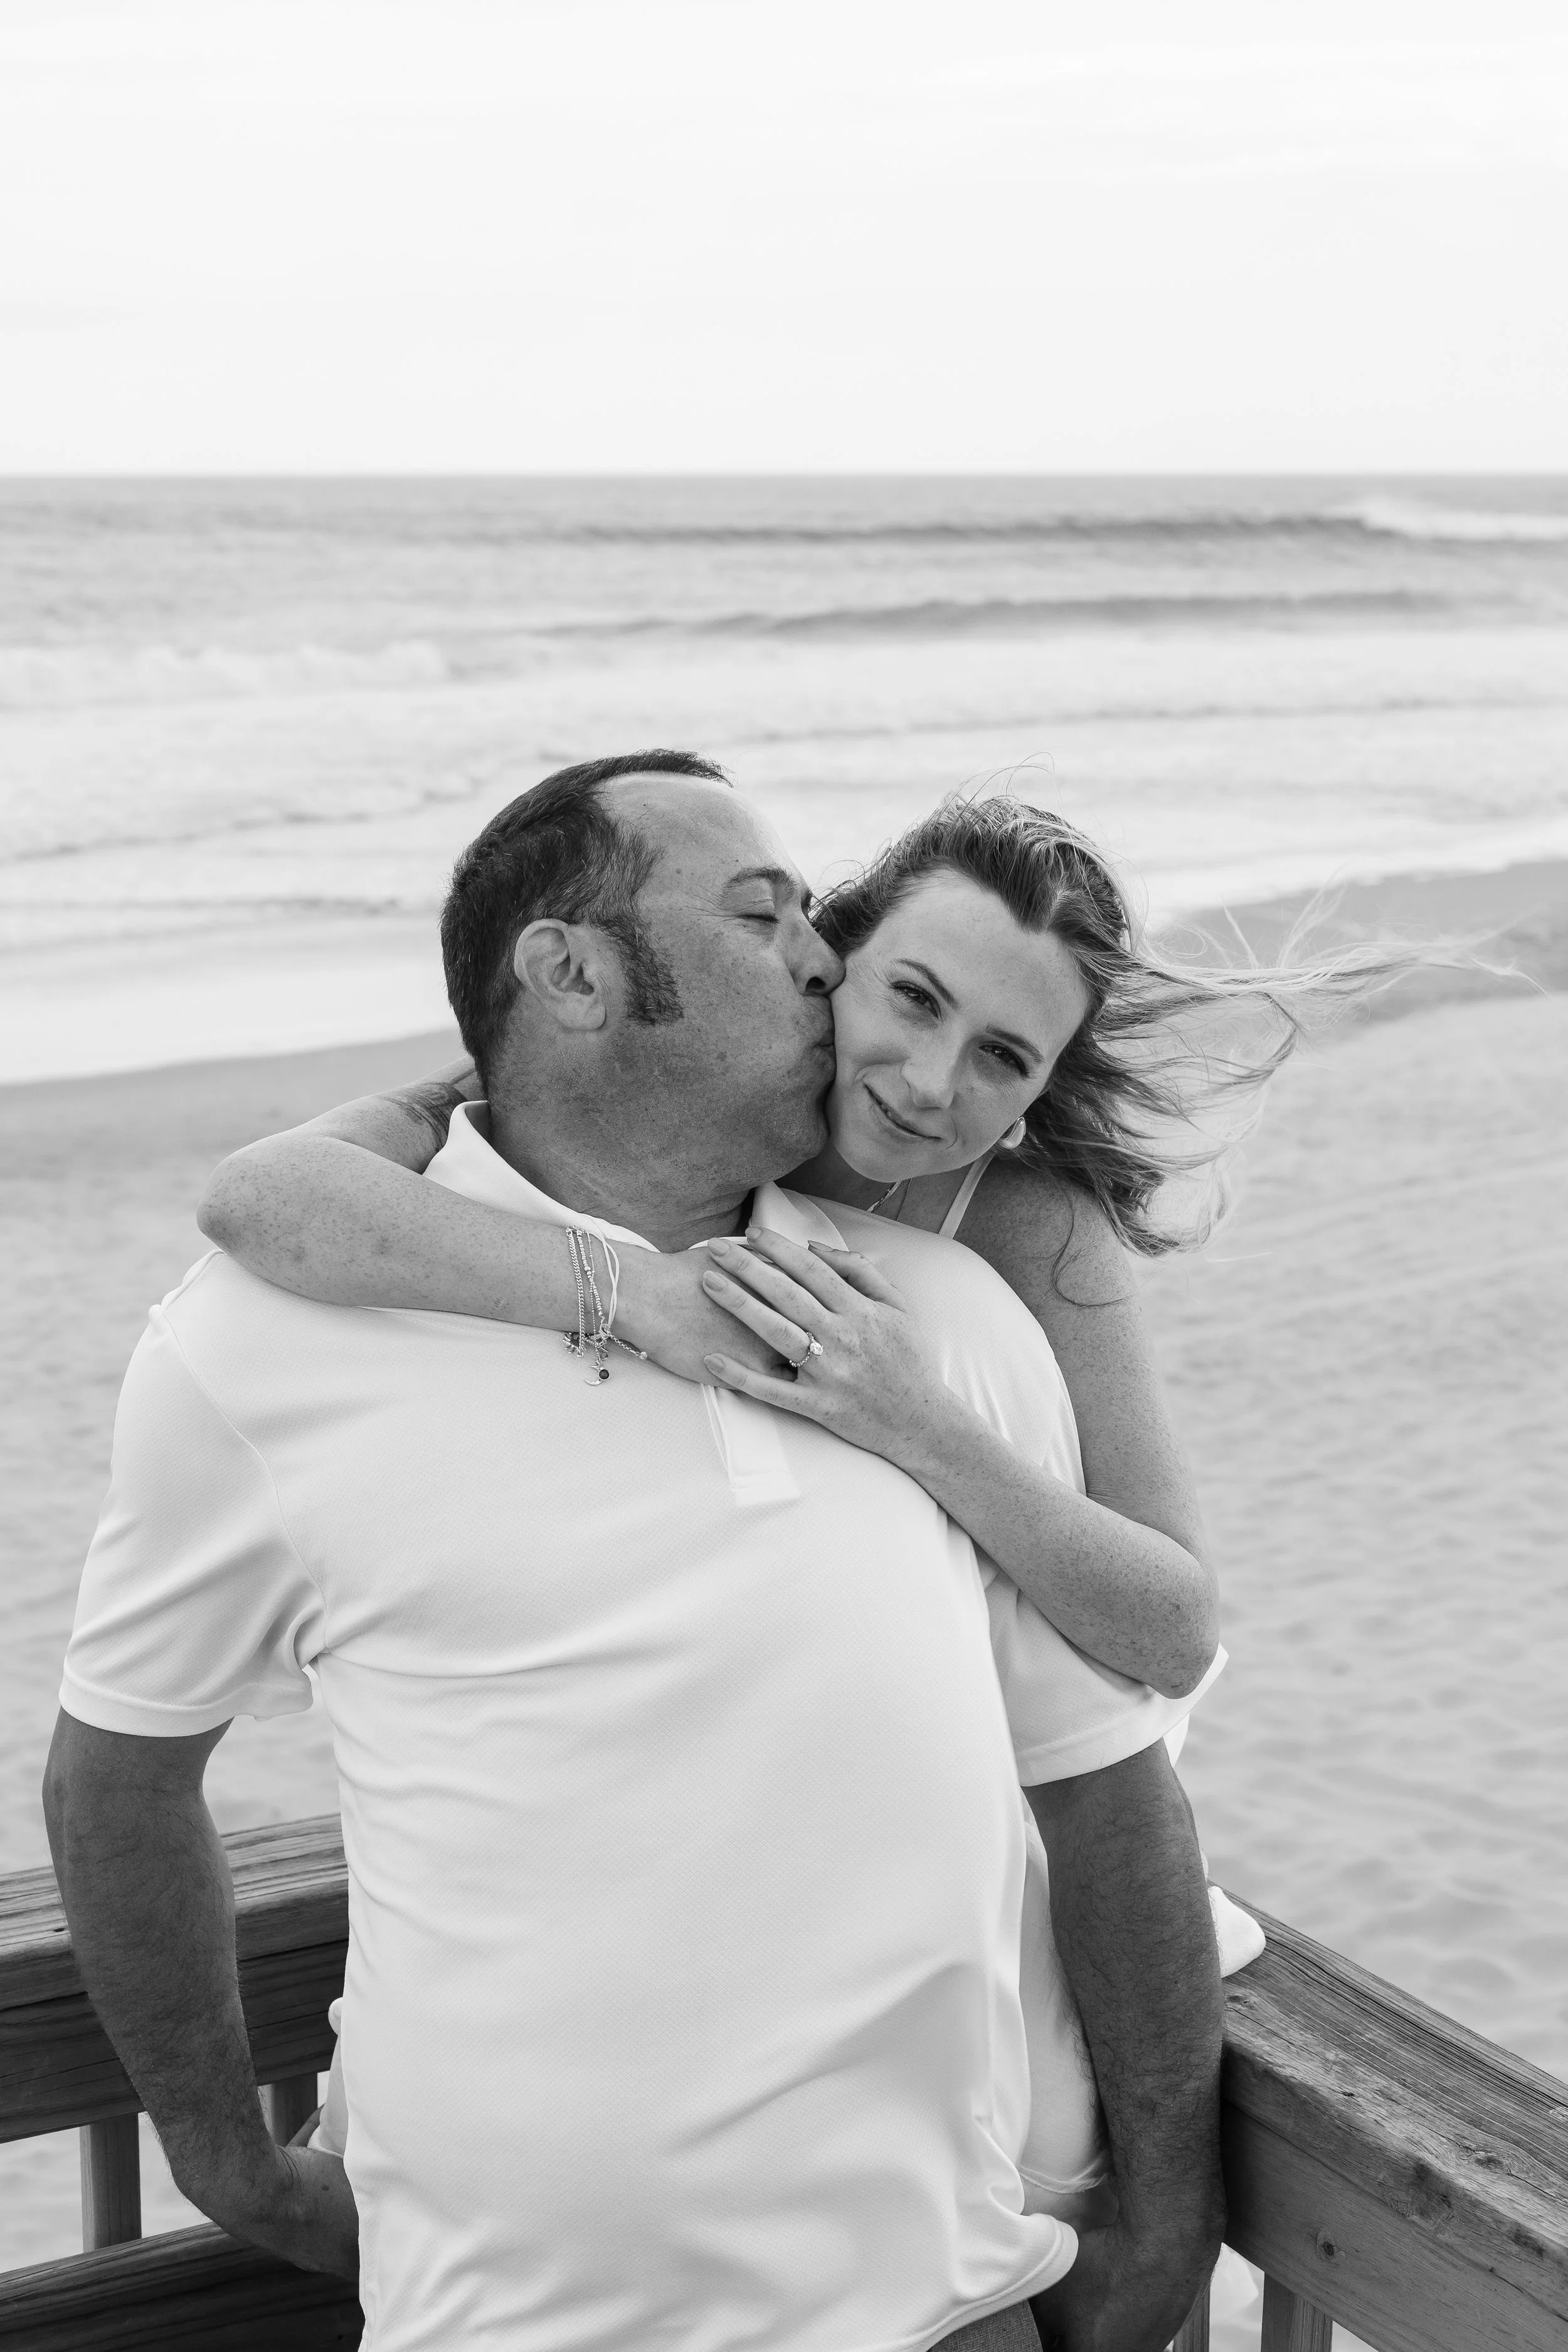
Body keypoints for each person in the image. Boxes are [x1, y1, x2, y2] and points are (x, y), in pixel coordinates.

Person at [46, 755, 1226, 2352]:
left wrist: (1169, 2207)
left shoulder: (941, 1313)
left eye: (812, 916)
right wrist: (227, 2164)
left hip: (937, 2312)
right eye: (764, 917)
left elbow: (1107, 1778)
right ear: (573, 972)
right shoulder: (271, 1333)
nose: (814, 958)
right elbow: (118, 1770)